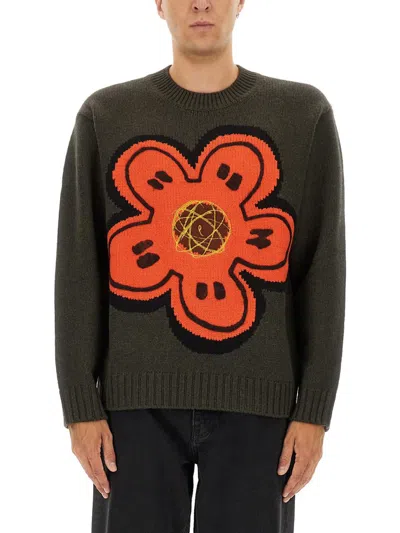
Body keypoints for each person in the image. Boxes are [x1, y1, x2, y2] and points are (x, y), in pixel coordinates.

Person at [54, 1, 346, 532]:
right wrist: (79, 405)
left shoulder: (303, 115)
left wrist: (315, 410)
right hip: (131, 414)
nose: (201, 3)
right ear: (158, 4)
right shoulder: (106, 115)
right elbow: (79, 268)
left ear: (242, 2)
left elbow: (322, 270)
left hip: (261, 410)